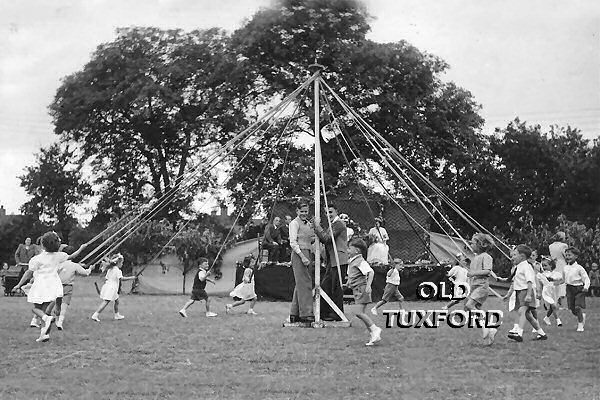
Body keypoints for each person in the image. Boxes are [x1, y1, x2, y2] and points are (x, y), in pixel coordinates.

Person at [11, 232, 86, 342]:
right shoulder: (59, 256)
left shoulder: (37, 259)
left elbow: (28, 273)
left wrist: (18, 285)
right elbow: (72, 256)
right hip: (54, 284)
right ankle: (44, 334)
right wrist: (81, 248)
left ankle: (47, 319)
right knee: (45, 310)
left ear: (42, 245)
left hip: (41, 284)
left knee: (36, 309)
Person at [506, 244, 547, 342]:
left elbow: (530, 281)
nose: (513, 257)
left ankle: (519, 333)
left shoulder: (527, 267)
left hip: (525, 292)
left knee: (522, 312)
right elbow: (514, 279)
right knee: (528, 315)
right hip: (519, 292)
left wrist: (529, 295)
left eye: (515, 255)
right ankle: (542, 334)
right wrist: (502, 280)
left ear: (522, 256)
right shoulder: (519, 266)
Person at [314, 204, 348, 321]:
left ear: (336, 211)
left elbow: (327, 238)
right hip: (332, 261)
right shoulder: (332, 224)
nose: (328, 214)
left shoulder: (338, 224)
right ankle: (326, 313)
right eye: (326, 213)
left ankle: (337, 314)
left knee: (336, 288)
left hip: (339, 260)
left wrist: (317, 227)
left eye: (330, 212)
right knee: (326, 286)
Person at [344, 238, 381, 346]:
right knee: (360, 313)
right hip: (357, 290)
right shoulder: (352, 262)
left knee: (358, 312)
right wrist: (347, 284)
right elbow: (353, 275)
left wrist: (368, 286)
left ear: (356, 250)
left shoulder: (360, 261)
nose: (347, 250)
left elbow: (371, 272)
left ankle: (375, 329)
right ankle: (374, 334)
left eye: (349, 248)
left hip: (362, 289)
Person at [464, 233, 497, 345]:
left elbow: (487, 271)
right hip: (474, 287)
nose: (471, 245)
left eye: (473, 243)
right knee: (471, 309)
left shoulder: (486, 257)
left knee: (469, 306)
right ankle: (490, 332)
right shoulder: (476, 257)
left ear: (481, 244)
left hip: (481, 286)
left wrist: (473, 273)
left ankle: (488, 328)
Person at [52, 245, 93, 330]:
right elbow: (85, 273)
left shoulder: (59, 264)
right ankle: (60, 322)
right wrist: (90, 269)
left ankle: (56, 320)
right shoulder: (74, 265)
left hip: (58, 286)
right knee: (64, 305)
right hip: (68, 286)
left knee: (58, 303)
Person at [288, 201, 315, 323]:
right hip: (300, 253)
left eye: (306, 211)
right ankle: (306, 313)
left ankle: (295, 313)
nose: (304, 213)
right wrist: (302, 256)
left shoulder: (308, 224)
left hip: (308, 252)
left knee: (301, 282)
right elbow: (293, 242)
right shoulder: (294, 223)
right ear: (297, 211)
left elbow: (311, 238)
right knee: (305, 283)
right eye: (302, 211)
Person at [91, 254, 136, 322]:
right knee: (106, 301)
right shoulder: (117, 270)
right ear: (118, 263)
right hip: (111, 288)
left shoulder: (110, 269)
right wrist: (132, 278)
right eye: (122, 262)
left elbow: (107, 278)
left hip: (109, 286)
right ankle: (95, 315)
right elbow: (122, 279)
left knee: (117, 301)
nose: (122, 264)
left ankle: (117, 315)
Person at [555, 247, 590, 332]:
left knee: (578, 307)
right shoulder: (565, 268)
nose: (567, 257)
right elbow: (563, 279)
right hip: (569, 289)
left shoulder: (579, 268)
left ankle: (580, 325)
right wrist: (556, 282)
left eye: (570, 255)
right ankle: (581, 316)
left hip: (579, 289)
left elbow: (586, 279)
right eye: (566, 255)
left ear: (576, 256)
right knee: (572, 309)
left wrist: (586, 287)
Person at [537, 257, 562, 327]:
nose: (544, 267)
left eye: (545, 265)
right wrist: (539, 293)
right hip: (546, 292)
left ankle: (546, 318)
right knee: (553, 305)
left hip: (555, 292)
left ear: (551, 265)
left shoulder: (556, 274)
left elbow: (561, 280)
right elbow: (540, 285)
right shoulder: (541, 275)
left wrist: (555, 281)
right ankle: (558, 321)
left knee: (553, 307)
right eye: (543, 266)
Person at [548, 232, 568, 307]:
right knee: (563, 282)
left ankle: (555, 301)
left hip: (554, 264)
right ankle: (562, 303)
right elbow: (566, 256)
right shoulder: (564, 246)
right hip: (562, 264)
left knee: (556, 281)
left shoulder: (550, 246)